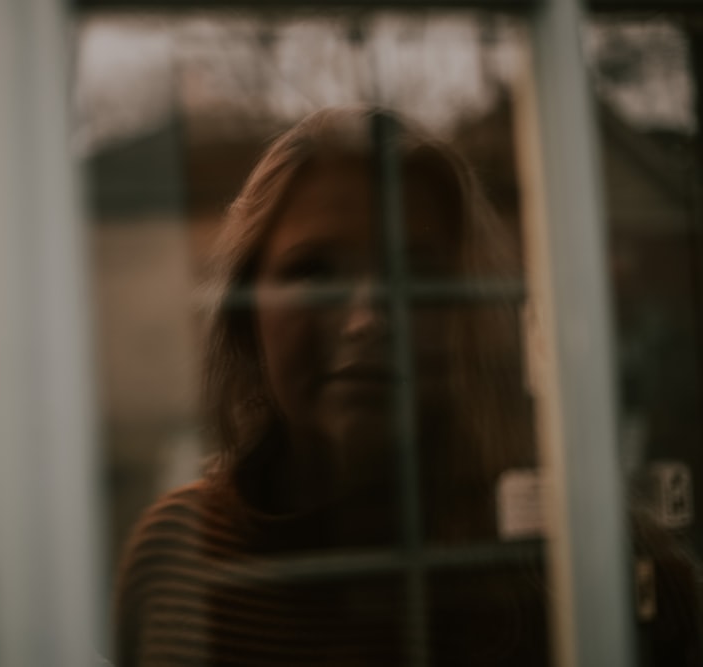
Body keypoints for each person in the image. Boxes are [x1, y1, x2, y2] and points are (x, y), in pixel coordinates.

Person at [114, 107, 701, 666]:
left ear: (471, 315)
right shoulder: (174, 556)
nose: (368, 318)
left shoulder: (589, 554)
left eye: (415, 273)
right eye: (315, 271)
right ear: (247, 317)